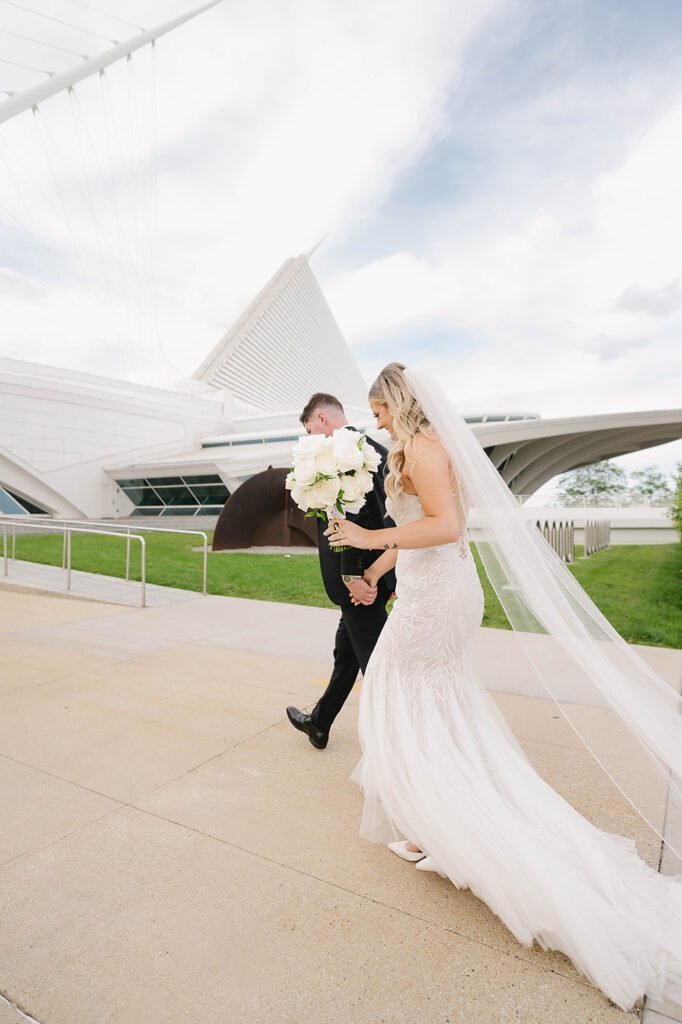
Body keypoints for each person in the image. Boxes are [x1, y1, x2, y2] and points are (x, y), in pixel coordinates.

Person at [325, 362, 682, 1011]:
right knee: (428, 701)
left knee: (395, 693)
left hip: (438, 600)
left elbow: (446, 527)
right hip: (428, 589)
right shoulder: (411, 450)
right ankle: (431, 816)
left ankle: (442, 820)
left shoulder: (428, 448)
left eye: (377, 409)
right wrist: (376, 568)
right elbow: (419, 537)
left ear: (398, 403)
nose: (373, 420)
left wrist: (371, 534)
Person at [286, 392, 396, 750]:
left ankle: (397, 748)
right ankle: (320, 722)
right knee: (346, 654)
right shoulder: (377, 451)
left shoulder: (337, 456)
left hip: (360, 582)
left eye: (309, 429)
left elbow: (353, 517)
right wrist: (390, 575)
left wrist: (354, 577)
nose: (310, 439)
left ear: (322, 419)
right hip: (376, 572)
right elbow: (389, 515)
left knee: (378, 671)